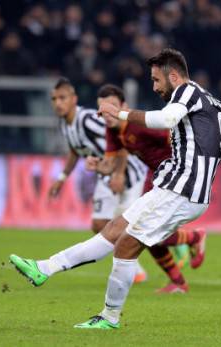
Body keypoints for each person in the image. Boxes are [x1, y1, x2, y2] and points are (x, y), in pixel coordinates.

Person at [10, 48, 221, 329]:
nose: (153, 87)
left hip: (183, 189)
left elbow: (165, 120)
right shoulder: (213, 102)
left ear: (173, 76)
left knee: (126, 245)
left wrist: (120, 113)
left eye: (155, 79)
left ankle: (109, 317)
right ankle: (44, 268)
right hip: (174, 186)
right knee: (113, 230)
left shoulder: (186, 93)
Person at [85, 84, 207, 293]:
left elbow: (172, 135)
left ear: (124, 106)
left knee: (146, 231)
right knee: (144, 232)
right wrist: (98, 166)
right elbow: (110, 165)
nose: (107, 113)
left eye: (112, 106)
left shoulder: (138, 125)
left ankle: (195, 239)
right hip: (155, 176)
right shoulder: (112, 130)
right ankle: (179, 282)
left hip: (174, 174)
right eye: (102, 108)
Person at [47, 77, 148, 282]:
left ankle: (183, 239)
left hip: (129, 173)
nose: (58, 103)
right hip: (106, 174)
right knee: (99, 224)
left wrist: (119, 174)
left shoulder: (88, 119)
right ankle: (135, 268)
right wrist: (62, 177)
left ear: (74, 99)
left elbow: (118, 140)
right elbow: (75, 151)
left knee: (134, 227)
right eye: (54, 99)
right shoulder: (65, 124)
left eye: (62, 98)